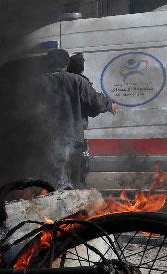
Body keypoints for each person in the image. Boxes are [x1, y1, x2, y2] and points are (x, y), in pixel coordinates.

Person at [37, 48, 116, 188]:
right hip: (72, 141)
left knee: (47, 182)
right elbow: (95, 103)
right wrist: (109, 105)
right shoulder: (77, 81)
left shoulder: (37, 83)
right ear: (66, 64)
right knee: (72, 182)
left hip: (44, 143)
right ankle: (71, 208)